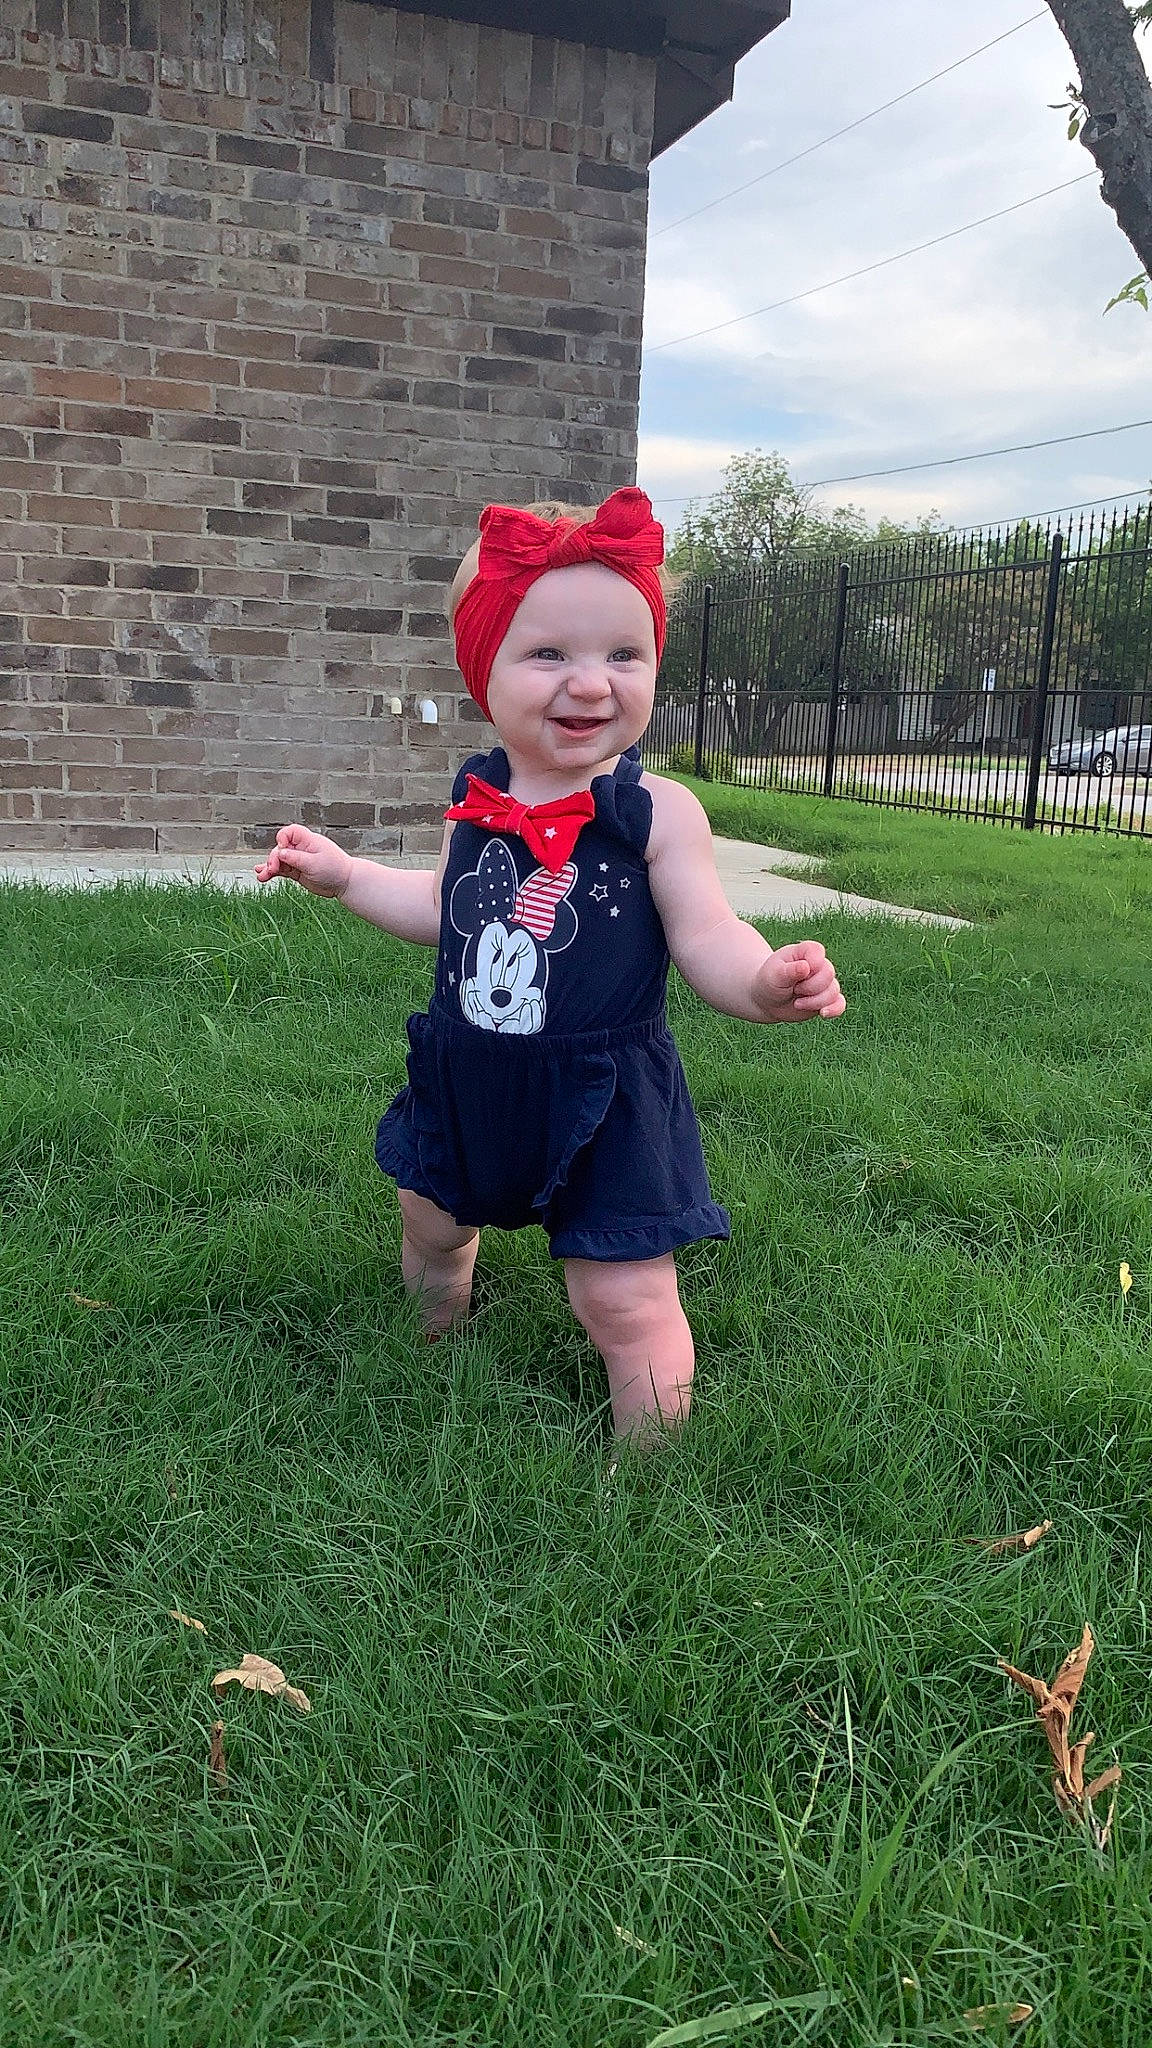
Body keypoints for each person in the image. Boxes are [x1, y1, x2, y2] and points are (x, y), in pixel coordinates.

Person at [256, 487, 844, 1447]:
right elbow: (445, 912)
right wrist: (346, 875)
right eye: (549, 654)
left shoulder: (656, 812)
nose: (590, 683)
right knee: (432, 1223)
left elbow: (709, 936)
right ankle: (431, 1335)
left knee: (625, 1297)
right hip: (472, 1072)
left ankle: (649, 1471)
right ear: (483, 671)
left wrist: (765, 981)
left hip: (605, 1092)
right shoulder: (477, 792)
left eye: (625, 654)